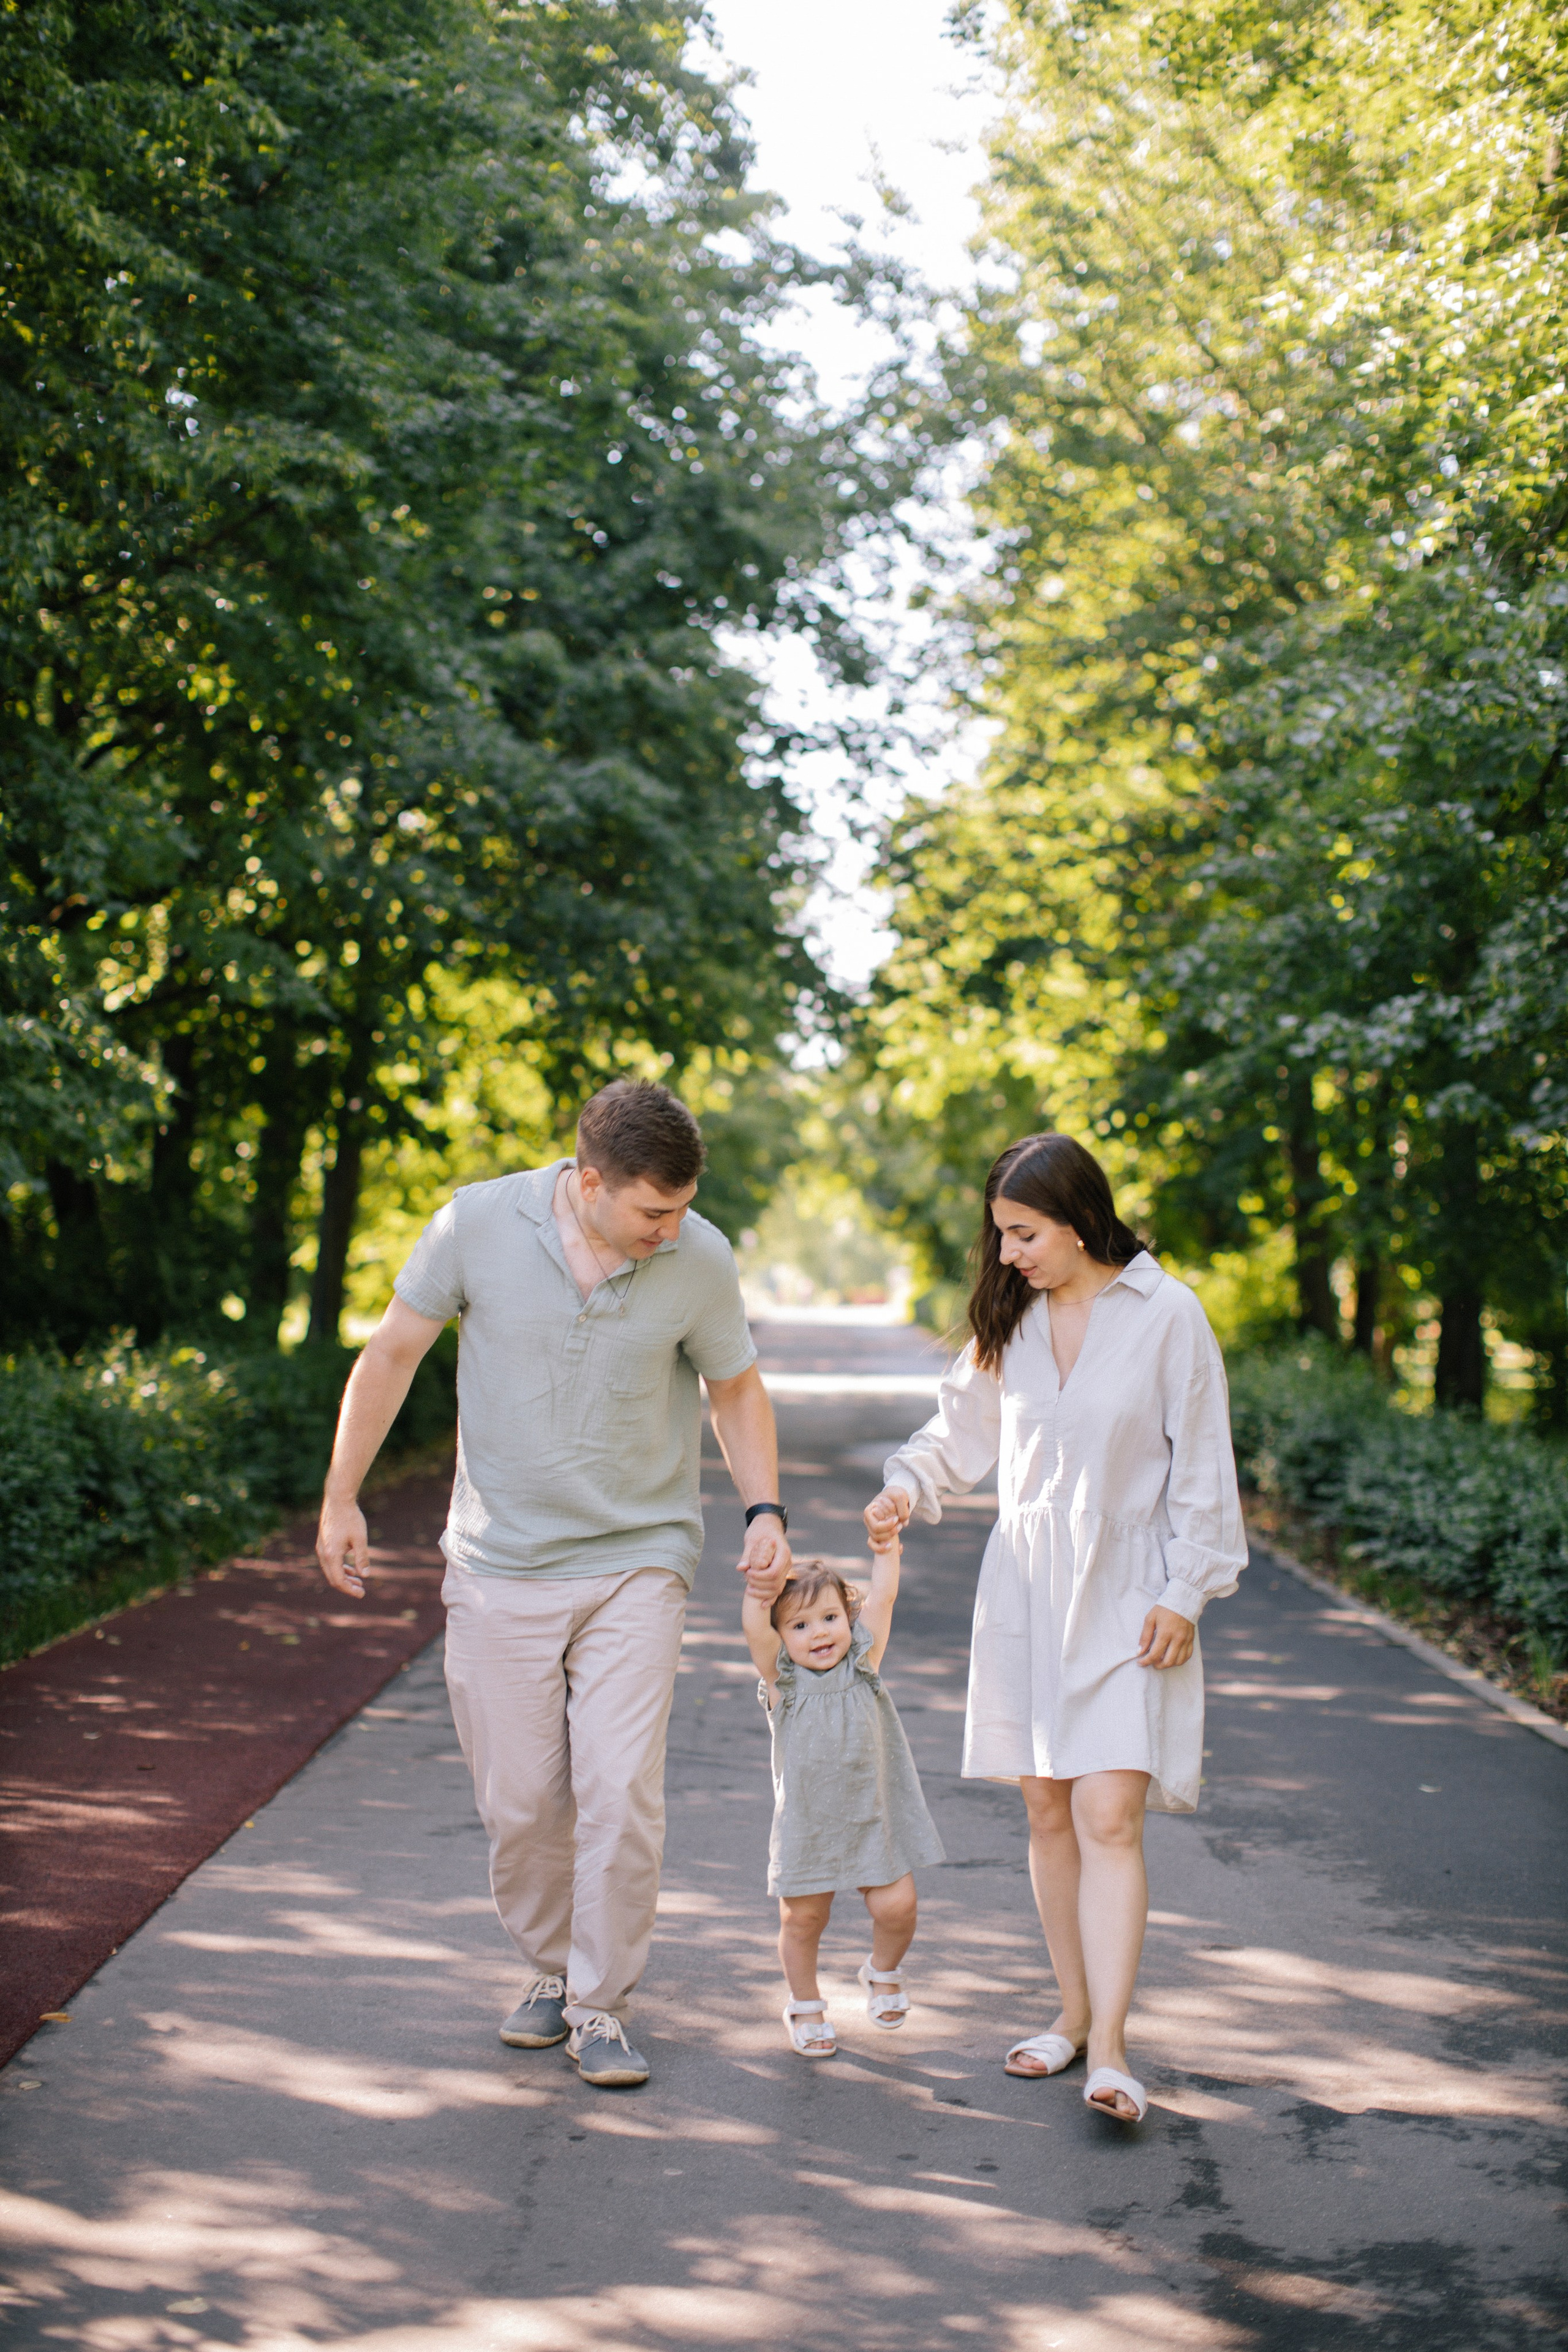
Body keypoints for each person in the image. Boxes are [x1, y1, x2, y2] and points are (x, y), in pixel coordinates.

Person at [314, 1078, 792, 2089]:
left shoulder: (698, 1257)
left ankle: (602, 2002)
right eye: (653, 1212)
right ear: (588, 1184)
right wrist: (340, 1496)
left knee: (620, 1791)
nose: (673, 1229)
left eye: (683, 1208)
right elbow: (394, 1352)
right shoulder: (476, 1226)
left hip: (638, 1560)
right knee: (524, 1802)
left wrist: (764, 1509)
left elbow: (735, 1386)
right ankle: (548, 1968)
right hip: (499, 1563)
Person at [864, 1133, 1246, 2124]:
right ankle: (1071, 2016)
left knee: (1108, 1815)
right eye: (999, 1236)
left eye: (1023, 1234)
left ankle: (1113, 2051)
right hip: (1028, 1590)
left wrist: (1185, 1592)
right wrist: (906, 1487)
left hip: (1131, 1595)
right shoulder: (1013, 1319)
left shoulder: (1168, 1315)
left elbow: (1203, 1465)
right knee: (1044, 1813)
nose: (1007, 1255)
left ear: (1079, 1222)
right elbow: (959, 1435)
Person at [742, 1533, 944, 2057]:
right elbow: (753, 1627)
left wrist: (886, 1549)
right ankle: (805, 2004)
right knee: (803, 1919)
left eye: (830, 1618)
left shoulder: (863, 1663)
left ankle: (883, 1971)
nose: (819, 1633)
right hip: (809, 1826)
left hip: (873, 1816)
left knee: (899, 1907)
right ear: (780, 1636)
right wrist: (760, 1583)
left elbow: (884, 1599)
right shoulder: (783, 1683)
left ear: (847, 1619)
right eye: (800, 1625)